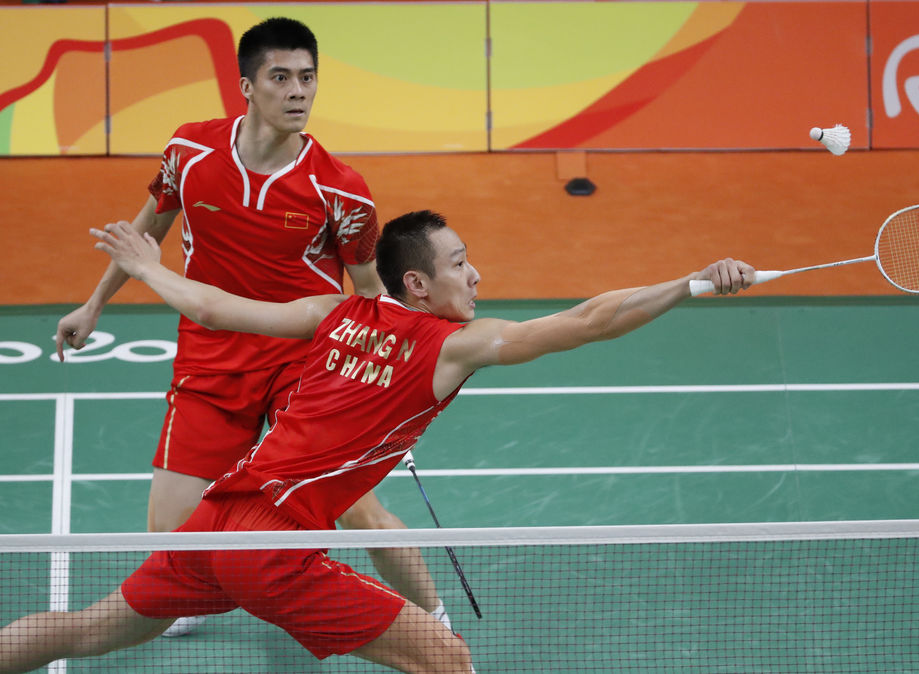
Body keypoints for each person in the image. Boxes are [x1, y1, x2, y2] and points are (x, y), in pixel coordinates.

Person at [0, 211, 754, 673]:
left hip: (217, 522)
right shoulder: (452, 347)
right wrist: (691, 283)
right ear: (418, 285)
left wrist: (145, 268)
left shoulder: (334, 310)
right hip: (274, 547)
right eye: (459, 263)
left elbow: (216, 309)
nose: (476, 275)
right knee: (447, 659)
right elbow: (589, 321)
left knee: (85, 630)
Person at [52, 17, 448, 635]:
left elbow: (371, 294)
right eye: (280, 77)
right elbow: (147, 228)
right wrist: (94, 303)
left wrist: (381, 388)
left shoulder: (341, 190)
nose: (298, 92)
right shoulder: (190, 152)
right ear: (246, 86)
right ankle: (188, 599)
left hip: (303, 361)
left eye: (307, 78)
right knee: (169, 534)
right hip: (211, 357)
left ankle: (435, 614)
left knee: (359, 512)